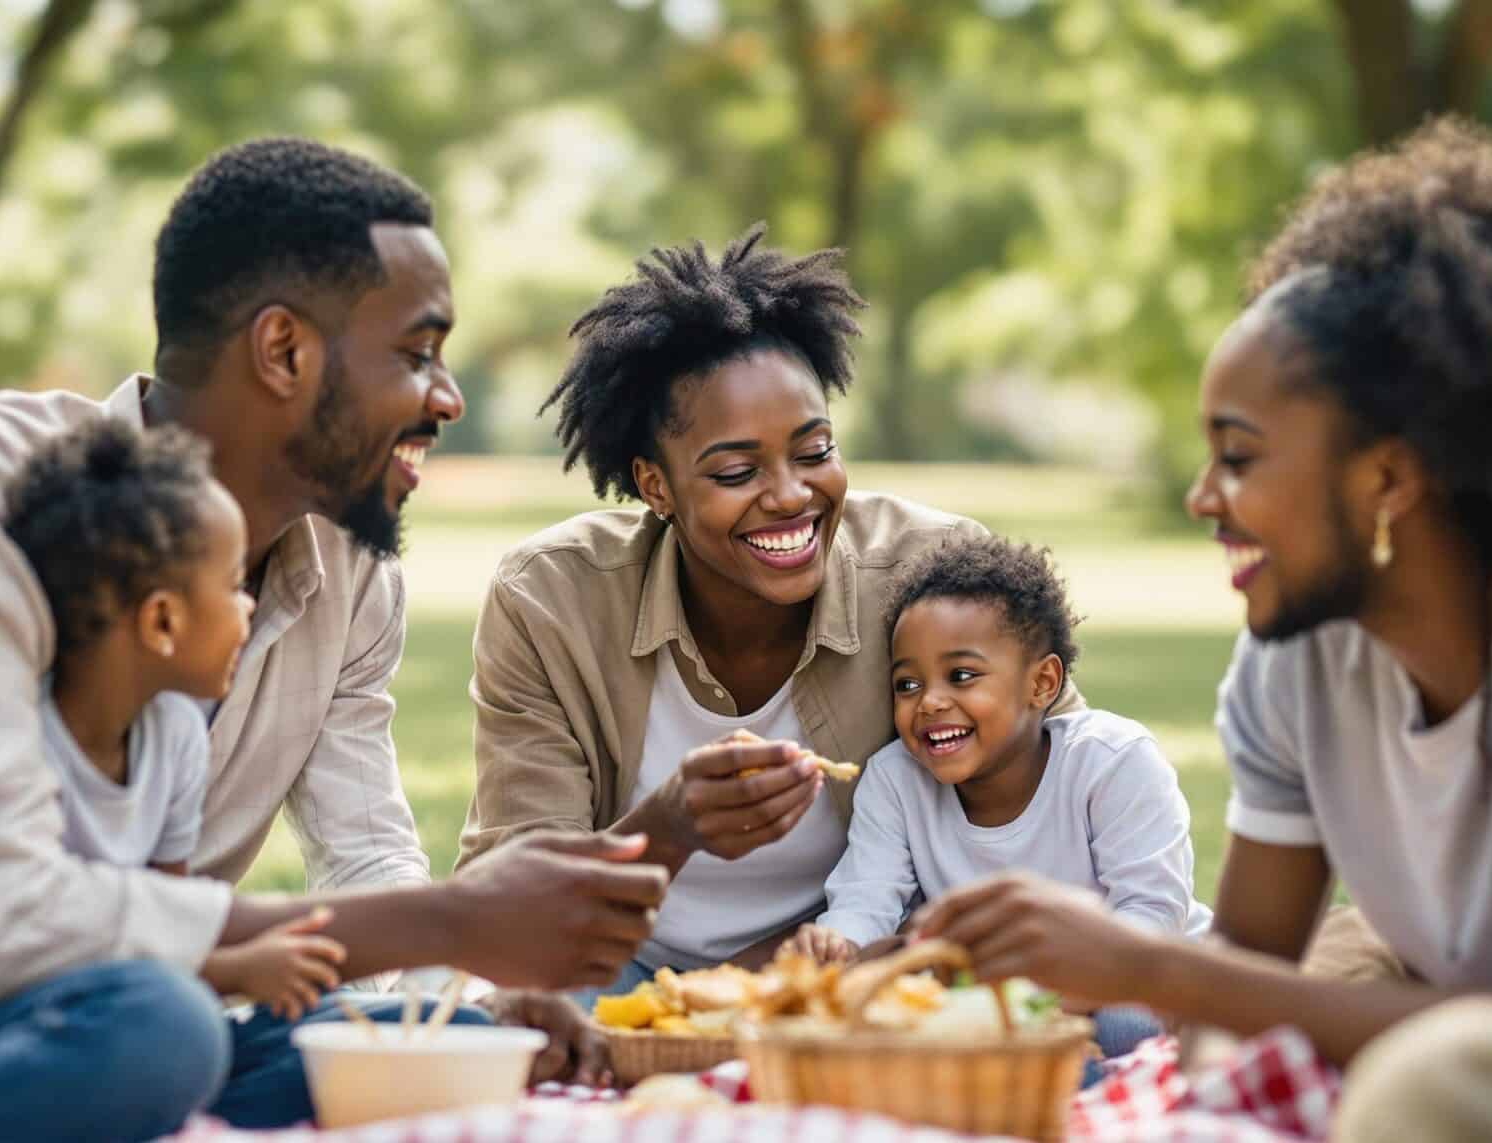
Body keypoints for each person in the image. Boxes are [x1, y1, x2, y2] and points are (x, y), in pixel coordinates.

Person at [0, 138, 662, 1140]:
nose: (447, 398)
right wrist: (452, 919)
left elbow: (362, 844)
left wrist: (446, 999)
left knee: (281, 1040)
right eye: (416, 355)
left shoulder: (353, 573)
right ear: (284, 352)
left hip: (81, 1011)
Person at [914, 121, 1492, 1141]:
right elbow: (1240, 996)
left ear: (1387, 476)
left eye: (1238, 457)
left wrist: (1146, 967)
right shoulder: (1297, 654)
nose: (1200, 498)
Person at [456, 227, 1083, 992]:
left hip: (857, 972)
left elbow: (1070, 795)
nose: (790, 495)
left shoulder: (933, 578)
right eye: (736, 470)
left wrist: (802, 971)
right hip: (610, 973)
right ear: (656, 486)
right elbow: (516, 907)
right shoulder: (551, 598)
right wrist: (670, 825)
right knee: (510, 1011)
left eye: (815, 452)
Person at [783, 535, 1205, 1079]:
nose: (929, 701)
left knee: (1127, 1024)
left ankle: (1089, 1098)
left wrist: (1045, 1005)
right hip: (987, 1000)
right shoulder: (894, 780)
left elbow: (1151, 917)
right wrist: (836, 943)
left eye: (961, 676)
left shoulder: (1112, 760)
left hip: (1126, 979)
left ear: (1042, 683)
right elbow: (866, 898)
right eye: (907, 683)